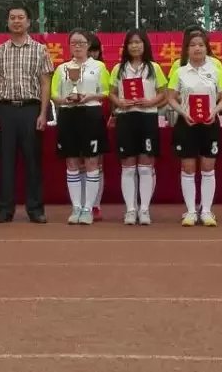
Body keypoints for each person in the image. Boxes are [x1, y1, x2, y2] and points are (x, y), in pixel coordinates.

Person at [0, 5, 54, 224]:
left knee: (33, 161)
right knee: (5, 161)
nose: (16, 21)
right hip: (5, 110)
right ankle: (4, 209)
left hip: (31, 110)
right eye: (12, 17)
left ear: (28, 22)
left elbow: (45, 83)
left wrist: (43, 113)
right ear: (7, 22)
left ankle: (35, 209)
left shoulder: (40, 50)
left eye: (20, 17)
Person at [165, 30, 222, 227]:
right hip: (187, 124)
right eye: (193, 45)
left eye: (201, 45)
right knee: (188, 168)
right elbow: (170, 97)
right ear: (187, 49)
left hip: (210, 124)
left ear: (206, 48)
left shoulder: (215, 71)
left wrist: (214, 111)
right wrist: (183, 112)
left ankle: (207, 211)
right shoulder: (180, 72)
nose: (197, 48)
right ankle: (191, 211)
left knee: (208, 167)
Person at [50, 29, 112, 225]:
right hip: (68, 115)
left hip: (91, 114)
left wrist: (89, 96)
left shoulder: (99, 66)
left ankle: (88, 208)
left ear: (88, 45)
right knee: (72, 163)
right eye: (74, 43)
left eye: (81, 43)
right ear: (69, 46)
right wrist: (65, 100)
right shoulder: (62, 68)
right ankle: (76, 207)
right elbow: (54, 94)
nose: (77, 46)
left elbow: (106, 91)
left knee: (92, 162)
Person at [109, 29, 167, 225]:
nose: (135, 46)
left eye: (138, 42)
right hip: (126, 118)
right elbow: (112, 92)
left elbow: (163, 93)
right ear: (126, 46)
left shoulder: (154, 68)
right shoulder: (119, 68)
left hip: (147, 118)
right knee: (127, 166)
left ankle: (144, 210)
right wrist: (120, 102)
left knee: (145, 166)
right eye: (131, 43)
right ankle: (130, 210)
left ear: (145, 45)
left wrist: (150, 102)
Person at [86, 33, 109, 222]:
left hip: (98, 120)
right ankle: (82, 203)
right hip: (77, 119)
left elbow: (109, 94)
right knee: (79, 164)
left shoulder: (102, 69)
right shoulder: (70, 68)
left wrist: (112, 116)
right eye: (90, 50)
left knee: (97, 164)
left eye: (95, 51)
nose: (92, 54)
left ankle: (95, 204)